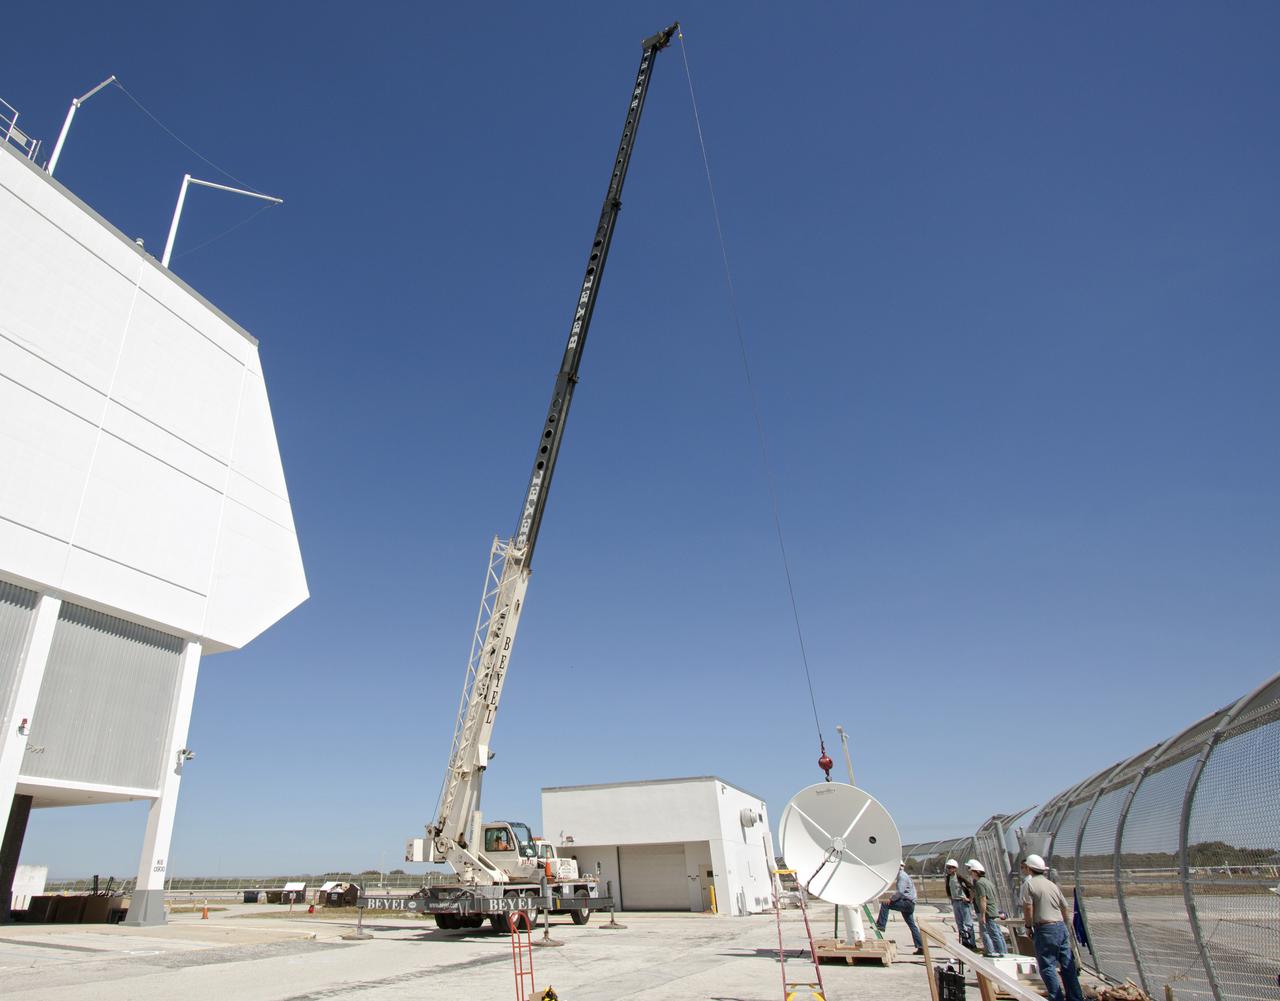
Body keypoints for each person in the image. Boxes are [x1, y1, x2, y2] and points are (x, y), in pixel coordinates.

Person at [1020, 854, 1084, 1001]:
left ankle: (1056, 998)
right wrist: (1066, 927)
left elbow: (1028, 907)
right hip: (1060, 926)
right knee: (1067, 966)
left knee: (1047, 965)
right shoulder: (1052, 885)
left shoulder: (1029, 884)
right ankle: (1076, 997)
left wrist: (1028, 926)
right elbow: (1064, 907)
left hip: (1045, 928)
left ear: (1029, 868)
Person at [876, 861, 924, 954]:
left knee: (885, 904)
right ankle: (921, 947)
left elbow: (900, 892)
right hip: (910, 903)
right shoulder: (904, 875)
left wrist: (891, 899)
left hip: (907, 903)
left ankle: (881, 925)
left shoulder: (902, 876)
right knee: (912, 925)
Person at [967, 858, 1006, 958]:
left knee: (993, 933)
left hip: (988, 912)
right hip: (993, 910)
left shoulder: (980, 883)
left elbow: (983, 899)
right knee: (997, 932)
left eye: (971, 871)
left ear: (976, 872)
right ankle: (1003, 951)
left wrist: (983, 915)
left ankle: (1000, 953)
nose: (970, 873)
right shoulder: (987, 882)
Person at [945, 858, 975, 947]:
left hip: (963, 902)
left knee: (968, 923)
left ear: (955, 868)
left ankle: (972, 943)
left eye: (951, 867)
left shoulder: (959, 877)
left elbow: (971, 887)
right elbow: (948, 888)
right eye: (948, 867)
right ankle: (964, 941)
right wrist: (950, 896)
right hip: (955, 902)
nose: (949, 869)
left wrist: (969, 898)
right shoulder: (948, 878)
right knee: (959, 923)